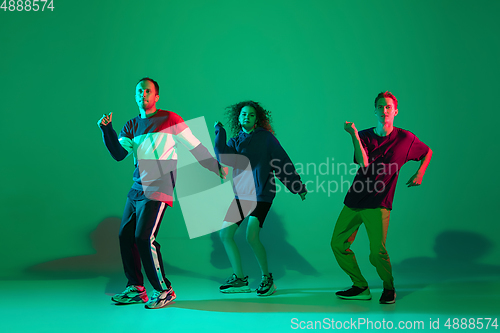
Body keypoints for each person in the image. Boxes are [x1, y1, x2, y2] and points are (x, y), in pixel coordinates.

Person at [97, 77, 224, 309]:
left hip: (160, 185)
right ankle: (136, 287)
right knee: (126, 236)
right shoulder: (131, 126)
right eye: (139, 91)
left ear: (156, 96)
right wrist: (107, 130)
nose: (142, 94)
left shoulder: (170, 119)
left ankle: (164, 290)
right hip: (137, 188)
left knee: (144, 238)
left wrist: (216, 167)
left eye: (147, 91)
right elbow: (118, 154)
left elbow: (195, 146)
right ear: (135, 96)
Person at [331, 91, 433, 304]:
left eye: (388, 107)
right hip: (355, 199)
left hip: (379, 202)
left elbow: (427, 152)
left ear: (395, 111)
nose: (384, 110)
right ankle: (360, 286)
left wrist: (420, 173)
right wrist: (353, 135)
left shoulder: (406, 138)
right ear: (375, 111)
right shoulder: (365, 135)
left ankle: (389, 287)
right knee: (338, 243)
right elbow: (363, 163)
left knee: (377, 252)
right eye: (380, 107)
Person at [214, 101, 307, 296]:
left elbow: (282, 161)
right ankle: (239, 279)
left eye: (251, 114)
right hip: (242, 195)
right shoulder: (234, 142)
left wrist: (297, 186)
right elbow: (222, 156)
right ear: (238, 118)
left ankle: (267, 278)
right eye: (243, 114)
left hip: (261, 194)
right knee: (225, 234)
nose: (246, 117)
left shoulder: (266, 138)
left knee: (251, 235)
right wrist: (219, 134)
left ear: (257, 119)